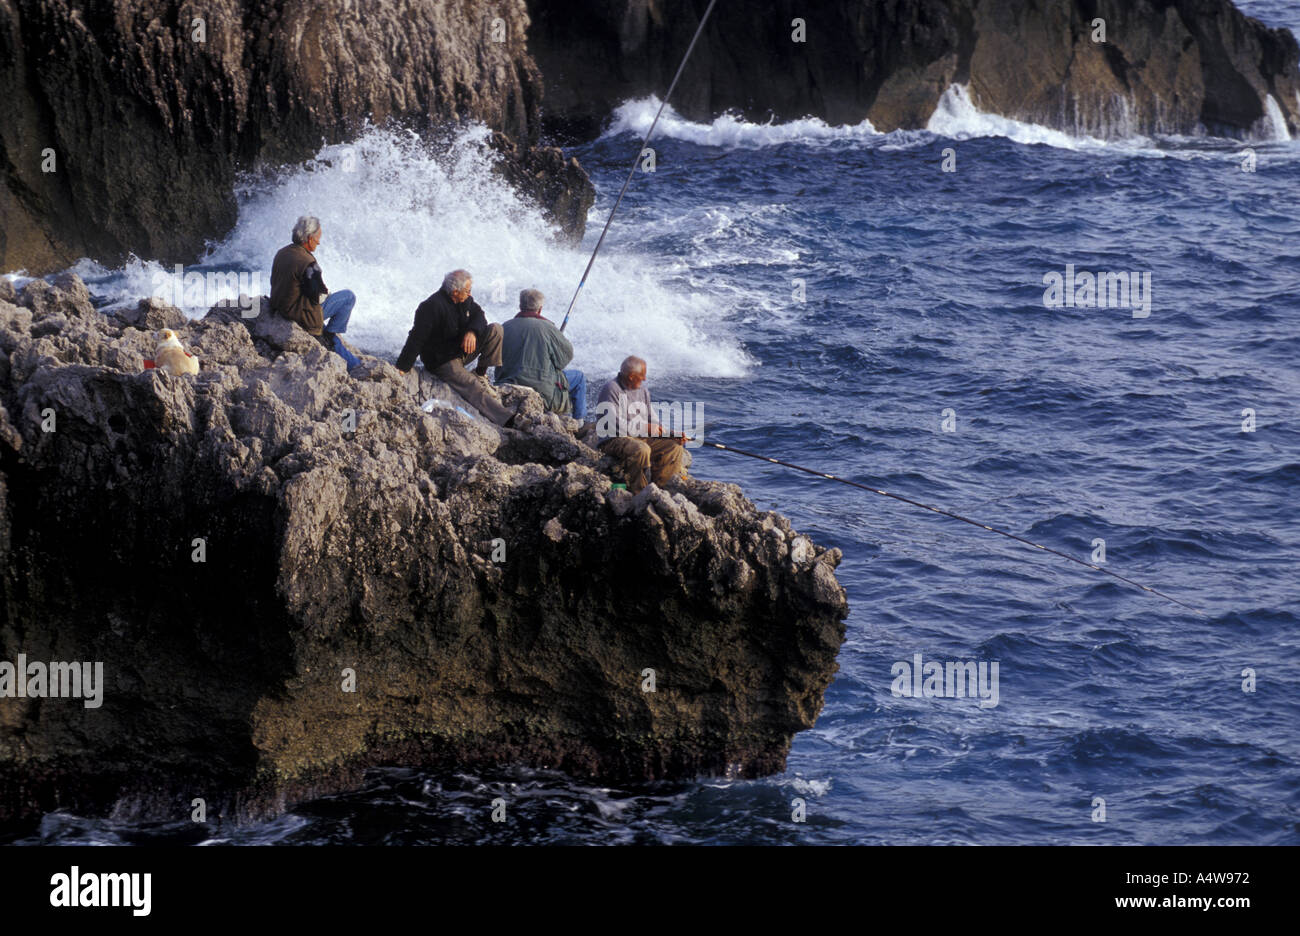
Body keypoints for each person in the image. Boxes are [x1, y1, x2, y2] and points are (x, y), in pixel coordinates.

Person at [395, 269, 521, 427]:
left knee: (496, 329)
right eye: (467, 291)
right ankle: (506, 420)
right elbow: (416, 338)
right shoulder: (431, 306)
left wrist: (472, 332)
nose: (470, 294)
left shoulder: (465, 300)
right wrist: (402, 367)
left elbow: (480, 316)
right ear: (455, 291)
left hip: (462, 349)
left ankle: (480, 374)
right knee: (471, 385)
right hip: (443, 359)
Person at [269, 215, 361, 369]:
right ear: (309, 238)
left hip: (281, 307)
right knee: (348, 297)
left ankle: (332, 337)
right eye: (318, 238)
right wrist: (327, 294)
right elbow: (317, 297)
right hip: (298, 313)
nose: (319, 242)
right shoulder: (309, 264)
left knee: (328, 307)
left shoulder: (282, 252)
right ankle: (332, 337)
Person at [594, 355, 685, 493]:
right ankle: (638, 492)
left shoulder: (643, 391)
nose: (645, 379)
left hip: (639, 436)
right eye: (642, 375)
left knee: (674, 447)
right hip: (613, 439)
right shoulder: (611, 389)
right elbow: (614, 423)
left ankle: (659, 490)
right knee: (641, 449)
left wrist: (668, 433)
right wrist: (643, 428)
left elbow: (652, 418)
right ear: (631, 376)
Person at [497, 289, 587, 419]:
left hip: (507, 388)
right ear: (540, 309)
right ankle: (579, 422)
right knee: (579, 377)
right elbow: (565, 359)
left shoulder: (505, 327)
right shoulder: (548, 328)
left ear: (520, 306)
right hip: (543, 394)